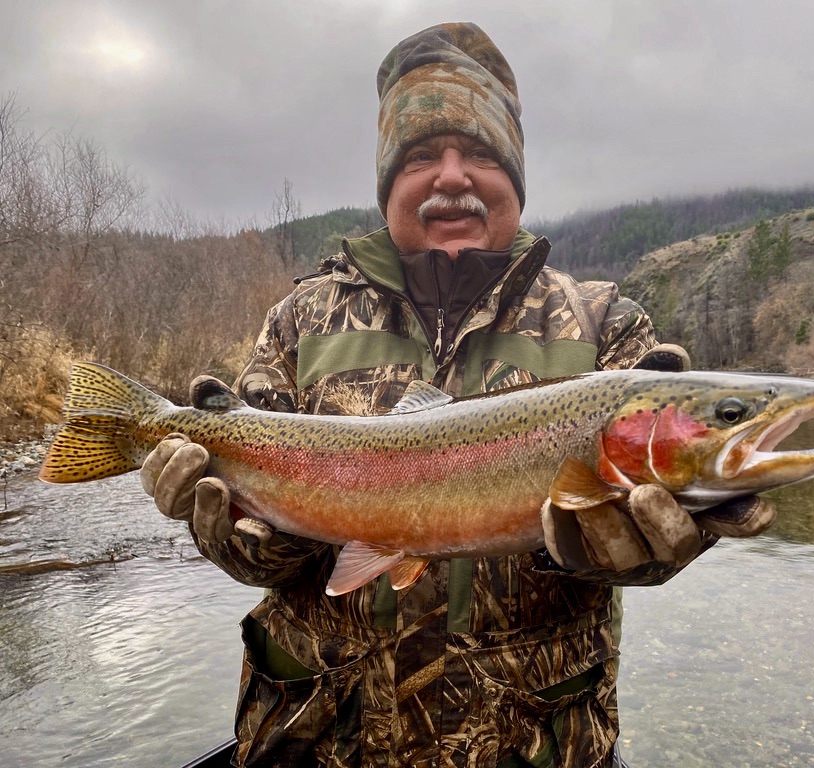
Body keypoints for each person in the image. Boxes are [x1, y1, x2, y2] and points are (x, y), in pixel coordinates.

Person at [141, 22, 774, 767]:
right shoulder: (300, 321)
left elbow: (657, 529)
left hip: (534, 742)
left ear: (514, 176)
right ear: (387, 186)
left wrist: (648, 550)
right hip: (318, 737)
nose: (451, 176)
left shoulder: (607, 328)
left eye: (478, 153)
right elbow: (257, 558)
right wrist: (239, 529)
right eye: (419, 157)